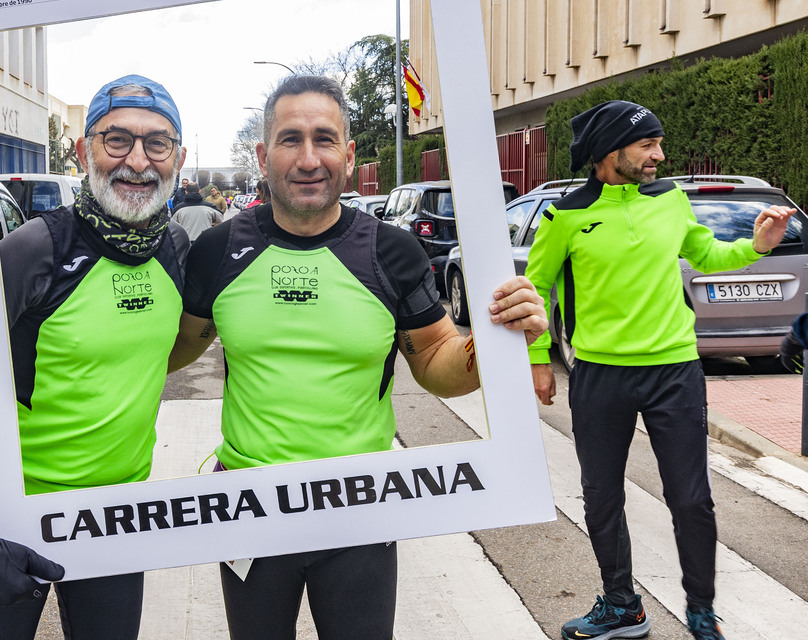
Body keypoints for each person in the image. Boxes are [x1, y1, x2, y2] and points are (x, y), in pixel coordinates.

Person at [169, 75, 547, 640]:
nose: (307, 158)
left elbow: (437, 361)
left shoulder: (391, 252)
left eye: (324, 139)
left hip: (360, 507)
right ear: (262, 154)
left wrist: (491, 342)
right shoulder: (219, 251)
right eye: (289, 139)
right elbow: (172, 351)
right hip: (248, 506)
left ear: (347, 156)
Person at [0, 74, 189, 640]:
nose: (138, 161)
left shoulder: (174, 250)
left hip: (118, 521)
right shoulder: (33, 250)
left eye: (157, 142)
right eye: (116, 139)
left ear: (179, 157)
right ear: (82, 151)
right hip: (10, 520)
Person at [524, 100, 793, 640]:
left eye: (658, 144)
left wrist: (757, 247)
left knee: (691, 497)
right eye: (647, 144)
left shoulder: (671, 201)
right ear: (610, 151)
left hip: (675, 370)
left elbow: (708, 253)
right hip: (600, 374)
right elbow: (536, 289)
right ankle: (622, 606)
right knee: (601, 497)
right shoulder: (564, 215)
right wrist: (538, 362)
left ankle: (700, 609)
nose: (659, 155)